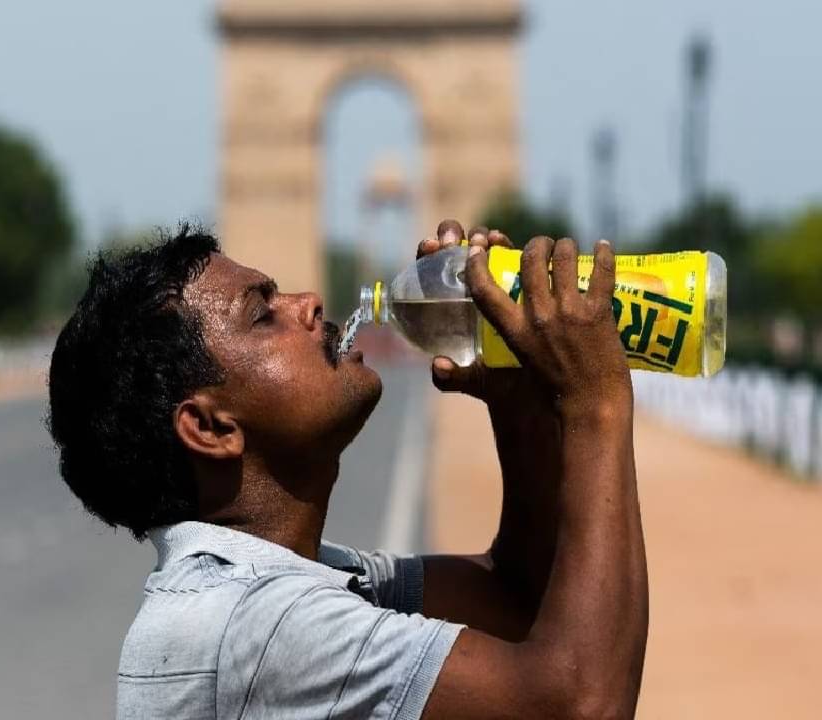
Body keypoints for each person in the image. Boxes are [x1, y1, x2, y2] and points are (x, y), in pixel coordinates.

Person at [46, 219, 648, 719]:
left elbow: (516, 601)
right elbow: (580, 705)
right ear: (211, 428)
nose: (308, 303)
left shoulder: (284, 581)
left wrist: (518, 405)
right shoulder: (258, 626)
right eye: (263, 315)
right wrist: (594, 404)